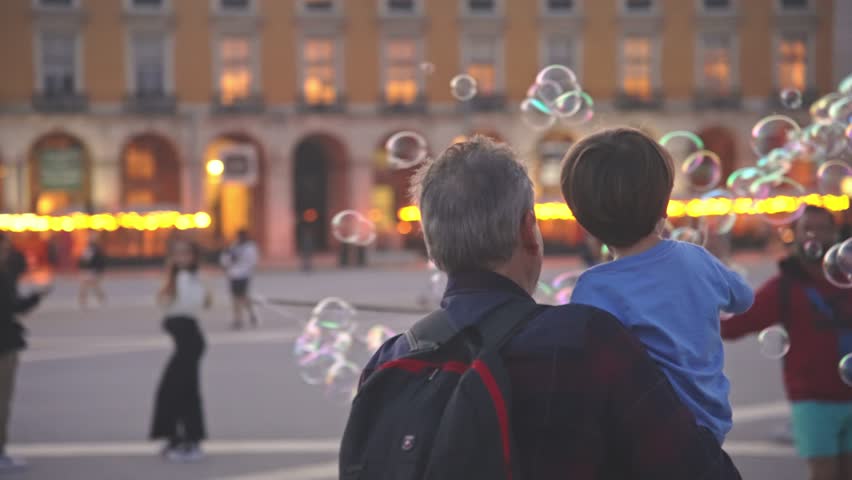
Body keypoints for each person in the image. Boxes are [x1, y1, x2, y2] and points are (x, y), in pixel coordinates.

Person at [356, 136, 741, 478]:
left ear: (432, 246)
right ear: (529, 231)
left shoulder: (388, 361)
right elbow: (697, 467)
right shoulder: (587, 339)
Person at [560, 128, 753, 446]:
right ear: (665, 205)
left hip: (648, 436)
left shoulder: (593, 287)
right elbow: (743, 298)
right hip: (710, 427)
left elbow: (587, 369)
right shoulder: (695, 259)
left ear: (584, 222)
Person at [721, 205, 852, 480]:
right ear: (796, 234)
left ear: (835, 234)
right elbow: (735, 325)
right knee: (824, 474)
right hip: (812, 399)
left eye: (822, 228)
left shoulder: (847, 281)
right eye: (807, 228)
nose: (814, 235)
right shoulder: (784, 286)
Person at [150, 240, 211, 463]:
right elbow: (164, 305)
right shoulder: (175, 278)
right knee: (170, 390)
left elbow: (191, 307)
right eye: (177, 253)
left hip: (190, 342)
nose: (181, 258)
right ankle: (174, 437)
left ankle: (191, 441)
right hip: (183, 342)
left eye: (186, 253)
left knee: (186, 392)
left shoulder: (193, 278)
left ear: (193, 256)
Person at [0, 234, 49, 471]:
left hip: (7, 341)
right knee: (2, 401)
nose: (6, 254)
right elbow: (14, 307)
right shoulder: (3, 277)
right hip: (4, 344)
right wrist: (36, 297)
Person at [220, 229, 259, 329]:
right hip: (234, 275)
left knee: (243, 296)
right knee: (235, 298)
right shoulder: (234, 246)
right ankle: (238, 319)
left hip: (244, 275)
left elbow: (252, 261)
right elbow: (226, 259)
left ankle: (250, 314)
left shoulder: (250, 247)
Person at [78, 233, 106, 308]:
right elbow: (84, 260)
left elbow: (87, 260)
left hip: (91, 270)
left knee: (89, 286)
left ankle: (84, 300)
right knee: (89, 286)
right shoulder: (91, 249)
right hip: (90, 270)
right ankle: (84, 300)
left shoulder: (93, 249)